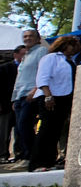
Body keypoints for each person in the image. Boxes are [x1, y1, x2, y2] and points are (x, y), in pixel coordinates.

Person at [29, 35, 81, 172]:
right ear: (64, 45)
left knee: (56, 131)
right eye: (72, 45)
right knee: (46, 129)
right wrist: (48, 96)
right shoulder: (51, 58)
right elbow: (43, 77)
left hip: (64, 97)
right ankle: (37, 163)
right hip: (50, 96)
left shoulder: (70, 61)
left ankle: (49, 161)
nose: (74, 48)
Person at [11, 30, 48, 167]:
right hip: (20, 95)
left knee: (25, 125)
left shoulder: (41, 51)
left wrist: (36, 89)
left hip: (31, 94)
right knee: (19, 128)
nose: (27, 38)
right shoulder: (26, 55)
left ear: (38, 38)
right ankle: (25, 156)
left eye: (30, 36)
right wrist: (14, 98)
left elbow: (43, 71)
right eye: (25, 36)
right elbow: (19, 78)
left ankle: (31, 157)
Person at [0, 45, 25, 162]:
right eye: (22, 54)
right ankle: (2, 154)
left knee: (20, 130)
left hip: (21, 103)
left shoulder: (27, 68)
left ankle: (19, 153)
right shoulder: (5, 68)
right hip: (6, 105)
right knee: (4, 131)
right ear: (16, 55)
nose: (24, 57)